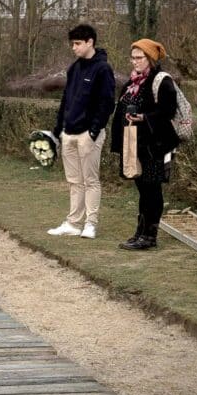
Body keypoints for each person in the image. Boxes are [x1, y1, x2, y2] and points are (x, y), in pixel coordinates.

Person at [47, 24, 116, 240]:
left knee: (90, 180)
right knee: (74, 181)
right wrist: (58, 131)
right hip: (69, 133)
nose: (74, 48)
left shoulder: (103, 69)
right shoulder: (74, 68)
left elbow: (106, 104)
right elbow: (66, 101)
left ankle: (90, 224)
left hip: (89, 135)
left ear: (90, 42)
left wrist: (93, 132)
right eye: (72, 44)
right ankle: (73, 223)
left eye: (77, 43)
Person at [110, 39, 179, 250]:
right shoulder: (132, 82)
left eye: (139, 57)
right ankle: (140, 232)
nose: (134, 62)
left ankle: (150, 236)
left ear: (150, 59)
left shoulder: (161, 81)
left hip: (154, 146)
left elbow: (168, 111)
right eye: (132, 57)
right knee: (143, 189)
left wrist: (144, 117)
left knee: (152, 189)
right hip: (134, 144)